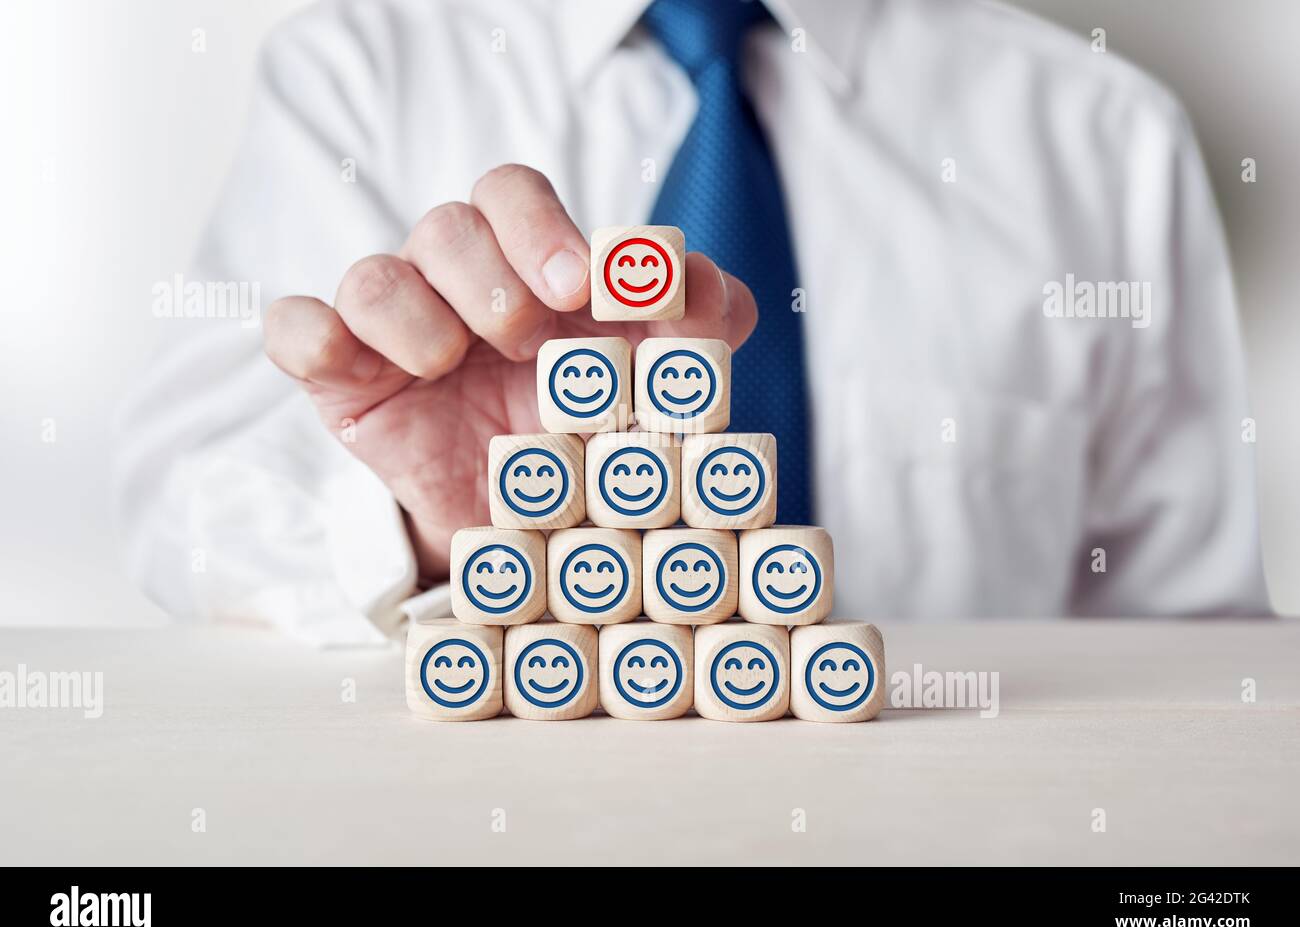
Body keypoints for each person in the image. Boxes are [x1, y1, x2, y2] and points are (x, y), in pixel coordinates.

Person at [113, 0, 1270, 645]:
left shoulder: (1102, 134)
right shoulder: (356, 74)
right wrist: (436, 525)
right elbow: (178, 517)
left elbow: (1192, 653)